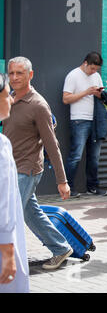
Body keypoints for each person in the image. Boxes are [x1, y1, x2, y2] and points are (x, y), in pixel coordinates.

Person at [4, 57, 73, 271]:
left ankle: (7, 262)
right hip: (10, 166)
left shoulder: (38, 105)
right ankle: (61, 248)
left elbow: (52, 145)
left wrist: (62, 181)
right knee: (30, 213)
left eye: (20, 73)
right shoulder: (9, 98)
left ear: (30, 75)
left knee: (8, 216)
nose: (14, 77)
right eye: (12, 73)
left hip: (27, 169)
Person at [63, 52, 107, 197]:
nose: (94, 72)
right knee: (76, 155)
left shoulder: (96, 76)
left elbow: (101, 97)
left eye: (96, 69)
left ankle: (93, 187)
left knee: (94, 157)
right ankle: (68, 187)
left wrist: (98, 94)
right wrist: (86, 92)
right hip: (79, 120)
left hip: (95, 120)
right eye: (92, 69)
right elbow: (66, 99)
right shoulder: (73, 75)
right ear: (85, 63)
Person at [0, 73, 29, 292]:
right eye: (6, 93)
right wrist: (8, 250)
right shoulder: (2, 145)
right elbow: (4, 201)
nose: (11, 99)